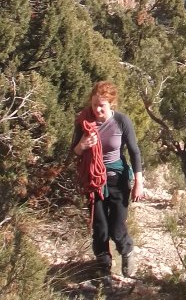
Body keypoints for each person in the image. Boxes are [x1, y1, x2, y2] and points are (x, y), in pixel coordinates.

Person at [71, 81, 145, 278]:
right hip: (94, 180)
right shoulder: (84, 122)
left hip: (117, 179)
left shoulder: (122, 121)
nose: (97, 109)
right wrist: (83, 144)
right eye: (94, 104)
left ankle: (127, 250)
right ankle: (103, 267)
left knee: (117, 227)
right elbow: (74, 151)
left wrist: (139, 181)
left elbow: (134, 152)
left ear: (111, 104)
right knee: (100, 227)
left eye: (101, 105)